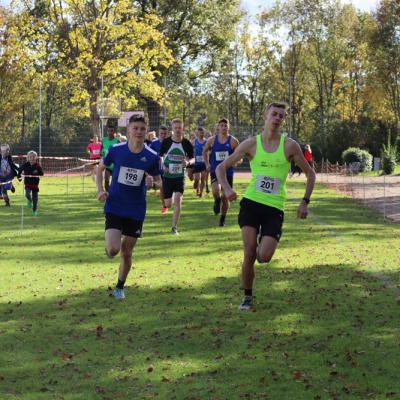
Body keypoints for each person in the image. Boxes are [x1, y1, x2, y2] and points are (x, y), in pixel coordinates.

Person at [216, 102, 316, 311]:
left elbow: (310, 174)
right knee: (249, 252)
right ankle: (247, 297)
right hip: (251, 204)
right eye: (274, 114)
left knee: (263, 257)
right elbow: (221, 167)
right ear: (265, 116)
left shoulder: (289, 146)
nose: (277, 118)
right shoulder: (251, 144)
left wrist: (305, 201)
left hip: (274, 208)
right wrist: (226, 189)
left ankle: (261, 247)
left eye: (281, 116)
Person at [96, 115, 162, 300]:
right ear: (128, 130)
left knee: (127, 252)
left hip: (136, 209)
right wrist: (100, 190)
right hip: (115, 205)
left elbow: (159, 182)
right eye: (136, 128)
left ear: (146, 131)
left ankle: (119, 287)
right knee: (113, 249)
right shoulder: (117, 150)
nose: (139, 132)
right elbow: (100, 168)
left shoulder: (152, 156)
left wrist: (153, 184)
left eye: (142, 129)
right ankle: (109, 249)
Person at [159, 118, 194, 234]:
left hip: (180, 176)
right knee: (168, 204)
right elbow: (160, 156)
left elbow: (193, 159)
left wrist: (187, 163)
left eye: (180, 128)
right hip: (168, 176)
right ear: (172, 129)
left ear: (183, 129)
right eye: (176, 128)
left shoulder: (186, 143)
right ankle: (171, 197)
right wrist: (163, 165)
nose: (178, 130)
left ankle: (174, 228)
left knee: (178, 200)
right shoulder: (166, 142)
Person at [203, 118, 239, 226]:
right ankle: (217, 200)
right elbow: (204, 151)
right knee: (215, 190)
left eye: (225, 125)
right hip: (215, 169)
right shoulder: (212, 140)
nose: (223, 127)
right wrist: (207, 164)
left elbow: (239, 155)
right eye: (221, 125)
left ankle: (223, 218)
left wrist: (236, 161)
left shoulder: (233, 141)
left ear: (228, 127)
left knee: (225, 197)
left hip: (227, 171)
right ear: (218, 127)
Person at [17, 150, 44, 216]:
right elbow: (19, 170)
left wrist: (37, 173)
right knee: (27, 194)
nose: (32, 158)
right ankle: (29, 200)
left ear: (36, 157)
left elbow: (42, 173)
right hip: (27, 184)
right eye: (30, 157)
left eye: (33, 157)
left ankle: (34, 211)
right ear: (28, 158)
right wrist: (19, 177)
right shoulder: (25, 165)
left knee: (35, 200)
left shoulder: (37, 166)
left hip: (35, 184)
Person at [101, 122, 120, 191]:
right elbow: (101, 151)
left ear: (114, 132)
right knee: (106, 179)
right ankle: (108, 193)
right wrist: (102, 157)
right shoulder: (104, 140)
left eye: (111, 131)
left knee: (115, 181)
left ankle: (115, 191)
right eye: (108, 131)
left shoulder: (117, 141)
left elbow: (120, 152)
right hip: (107, 165)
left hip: (115, 165)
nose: (110, 132)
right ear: (107, 132)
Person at [193, 127, 207, 197]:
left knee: (203, 179)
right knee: (196, 179)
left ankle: (200, 193)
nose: (201, 134)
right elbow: (190, 149)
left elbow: (209, 150)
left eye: (202, 132)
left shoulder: (206, 141)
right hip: (196, 163)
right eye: (200, 132)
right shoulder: (194, 141)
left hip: (204, 163)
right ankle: (196, 186)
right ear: (197, 133)